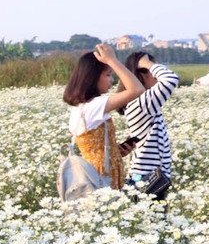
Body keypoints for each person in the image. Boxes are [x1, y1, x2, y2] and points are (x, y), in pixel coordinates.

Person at [63, 43, 144, 191]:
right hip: (101, 175)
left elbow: (94, 147)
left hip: (97, 171)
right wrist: (112, 60)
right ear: (91, 77)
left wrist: (115, 151)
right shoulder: (94, 105)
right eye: (108, 75)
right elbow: (137, 89)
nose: (112, 81)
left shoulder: (82, 107)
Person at [119, 51, 179, 198]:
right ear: (142, 75)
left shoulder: (141, 102)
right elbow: (171, 79)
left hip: (148, 178)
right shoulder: (141, 103)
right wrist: (146, 63)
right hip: (147, 179)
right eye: (153, 70)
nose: (157, 75)